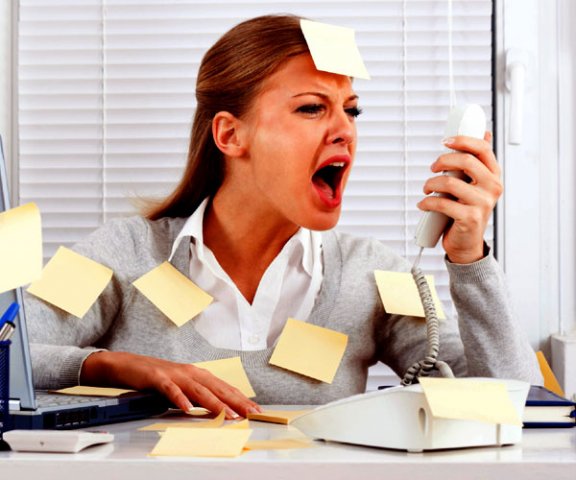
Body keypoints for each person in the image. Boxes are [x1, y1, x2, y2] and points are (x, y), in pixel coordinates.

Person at [25, 14, 542, 420]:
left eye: (352, 110)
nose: (345, 130)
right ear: (231, 135)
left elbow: (511, 401)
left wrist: (470, 259)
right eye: (312, 108)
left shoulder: (373, 275)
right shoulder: (122, 252)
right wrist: (116, 366)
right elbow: (8, 354)